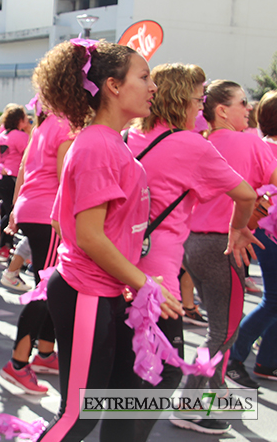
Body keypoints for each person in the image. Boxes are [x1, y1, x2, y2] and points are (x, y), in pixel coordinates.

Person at [30, 39, 184, 441]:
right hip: (87, 292)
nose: (153, 87)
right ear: (113, 86)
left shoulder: (111, 142)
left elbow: (78, 225)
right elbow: (89, 236)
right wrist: (142, 282)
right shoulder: (98, 144)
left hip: (106, 293)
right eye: (145, 77)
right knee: (77, 417)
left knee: (119, 407)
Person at [125, 63, 257, 441]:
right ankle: (176, 414)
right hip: (161, 271)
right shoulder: (191, 144)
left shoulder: (127, 136)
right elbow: (246, 194)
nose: (200, 109)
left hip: (118, 262)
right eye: (198, 100)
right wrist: (237, 227)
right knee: (164, 367)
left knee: (130, 358)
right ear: (182, 100)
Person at [177, 80, 277, 432]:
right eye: (242, 103)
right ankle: (190, 404)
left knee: (221, 329)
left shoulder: (202, 142)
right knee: (222, 332)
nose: (248, 110)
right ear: (222, 110)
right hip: (223, 246)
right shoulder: (246, 140)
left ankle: (211, 394)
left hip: (193, 245)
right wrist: (256, 213)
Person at [0, 102, 75, 394]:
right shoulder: (66, 124)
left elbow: (23, 170)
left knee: (50, 287)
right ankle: (18, 363)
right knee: (47, 290)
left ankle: (44, 353)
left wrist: (17, 210)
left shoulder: (44, 125)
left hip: (33, 210)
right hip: (50, 215)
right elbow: (65, 179)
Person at [226, 89, 277, 384]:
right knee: (272, 301)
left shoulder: (258, 145)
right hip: (267, 233)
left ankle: (267, 361)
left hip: (262, 231)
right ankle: (235, 356)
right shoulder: (263, 148)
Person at [0, 103, 31, 261]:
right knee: (12, 212)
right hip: (14, 178)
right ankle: (1, 244)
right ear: (19, 119)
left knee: (7, 211)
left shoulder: (0, 135)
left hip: (1, 178)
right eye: (25, 117)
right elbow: (29, 158)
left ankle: (3, 245)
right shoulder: (22, 137)